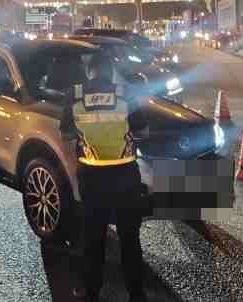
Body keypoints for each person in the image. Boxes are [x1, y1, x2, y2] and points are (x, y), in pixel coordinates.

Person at [60, 53, 146, 302]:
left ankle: (91, 291)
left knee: (93, 236)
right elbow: (144, 130)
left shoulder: (74, 94)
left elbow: (66, 136)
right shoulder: (125, 93)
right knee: (129, 237)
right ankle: (136, 293)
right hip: (126, 176)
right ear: (110, 72)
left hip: (92, 176)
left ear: (90, 72)